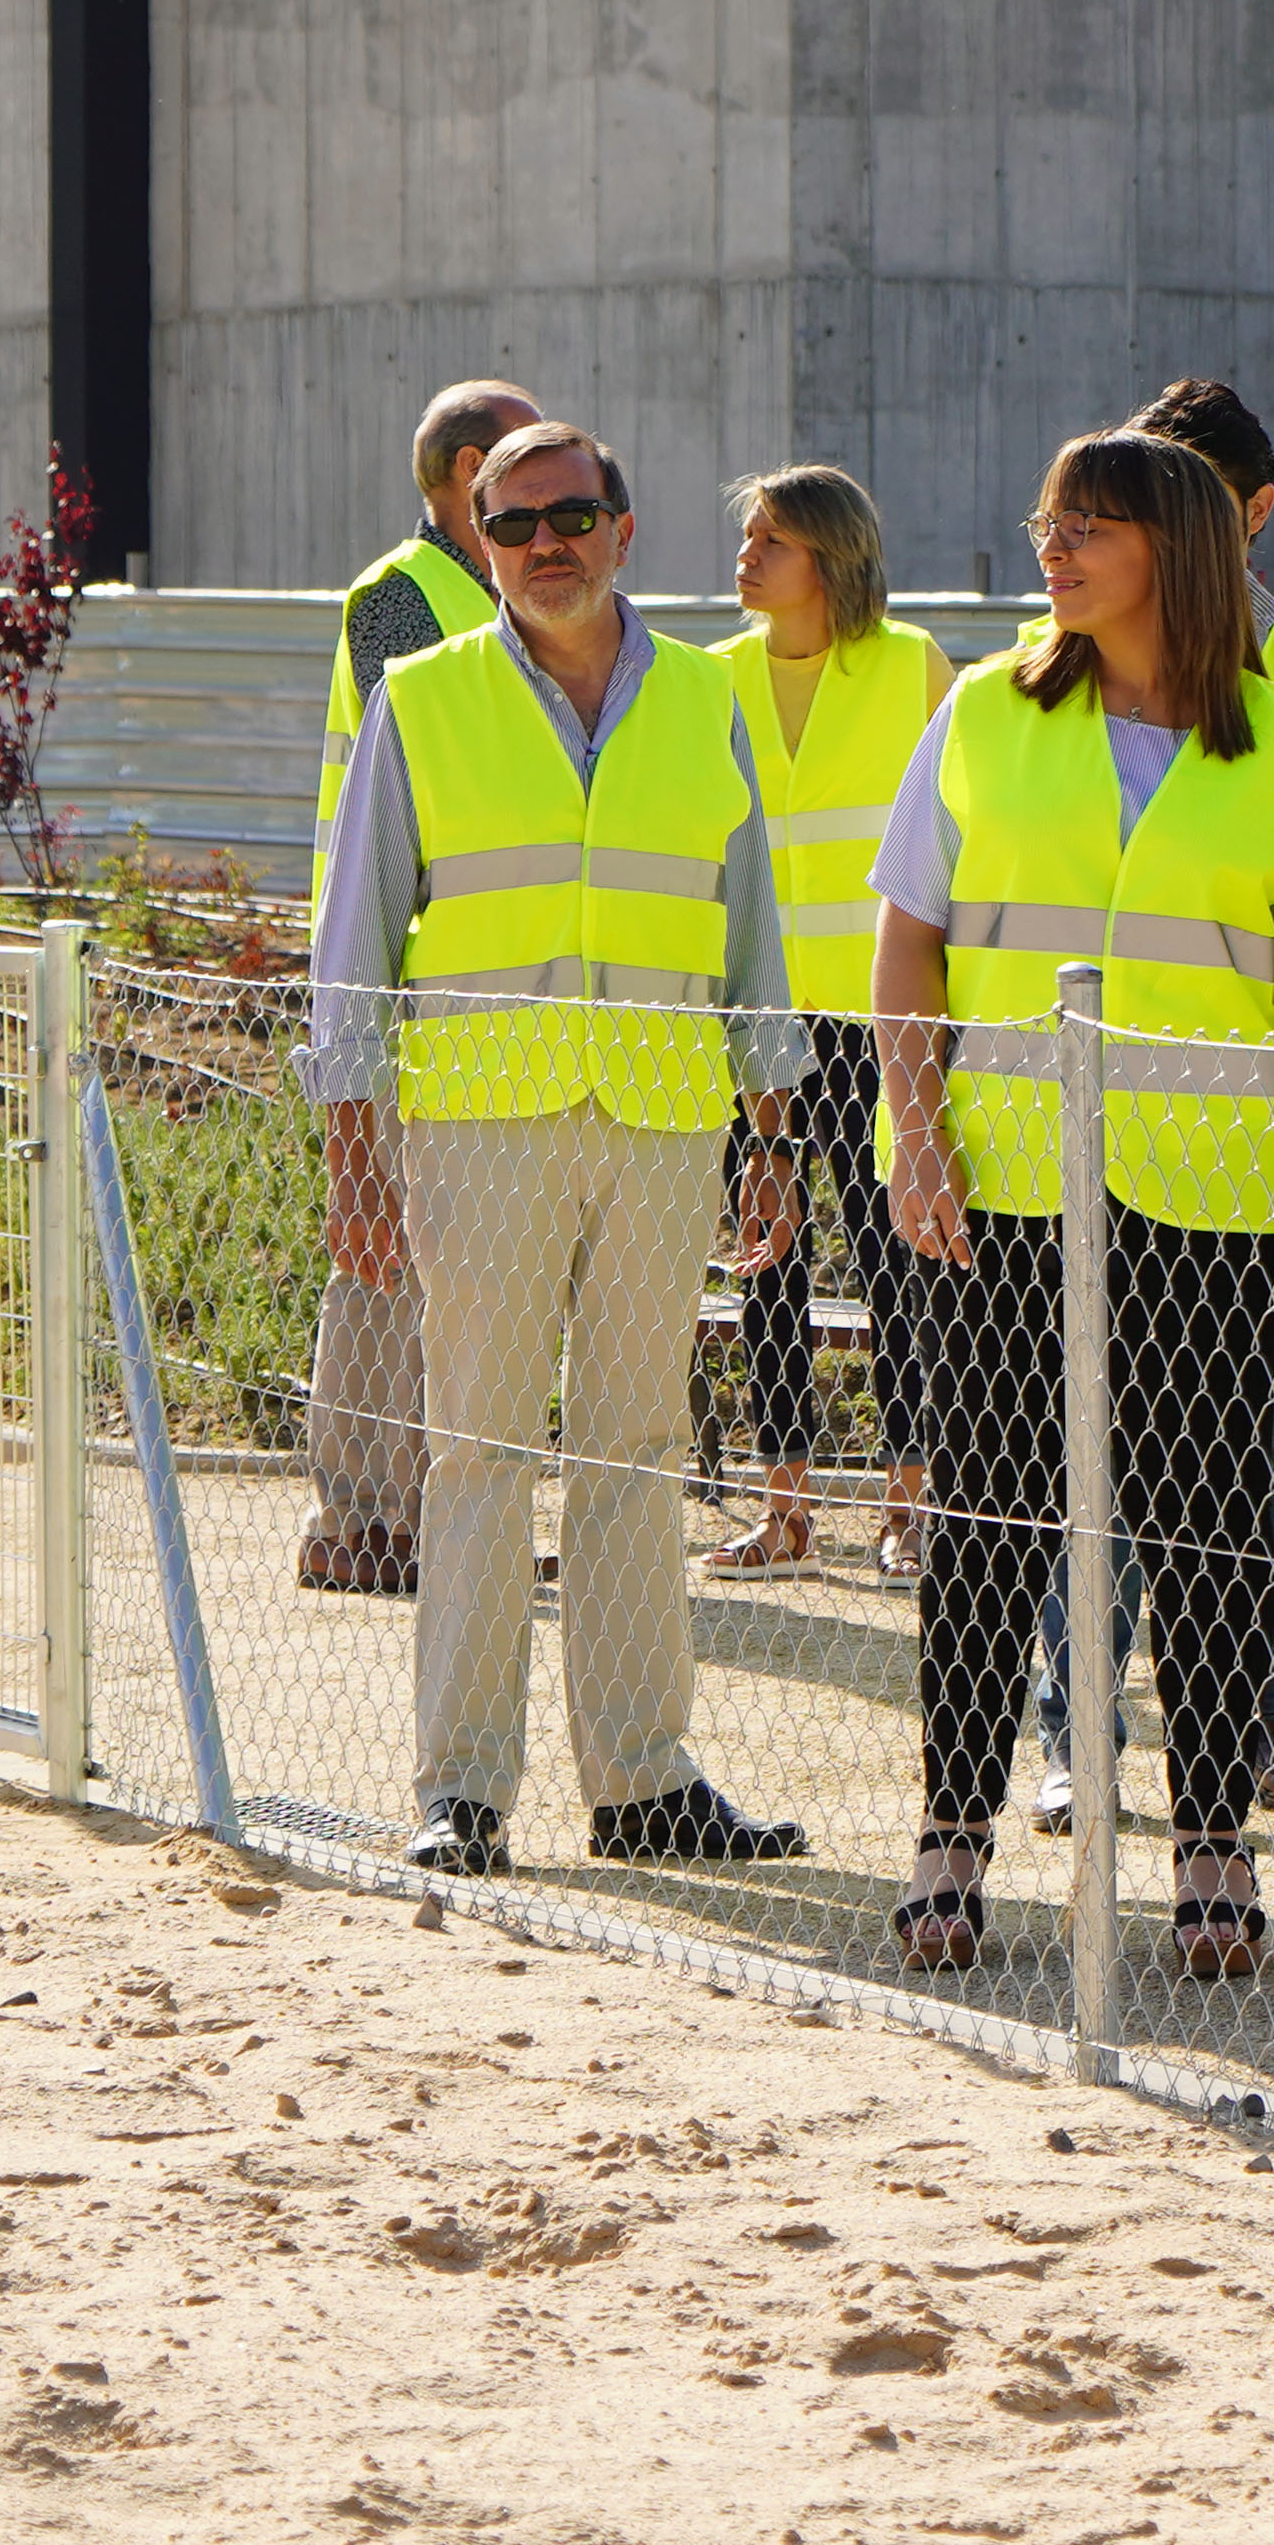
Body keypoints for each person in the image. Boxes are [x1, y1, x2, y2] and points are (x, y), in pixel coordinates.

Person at [873, 429, 1274, 1980]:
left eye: (1087, 525)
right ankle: (951, 1836)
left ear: (1177, 546)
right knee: (987, 1523)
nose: (1054, 547)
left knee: (1211, 1530)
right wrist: (916, 1135)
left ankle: (1214, 1844)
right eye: (1051, 521)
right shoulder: (981, 710)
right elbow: (908, 943)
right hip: (1003, 1184)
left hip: (1215, 1196)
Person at [303, 421, 817, 1879]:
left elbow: (750, 928)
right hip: (479, 1125)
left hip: (664, 1121)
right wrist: (354, 1156)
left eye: (572, 515)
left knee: (638, 1451)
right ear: (481, 543)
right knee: (475, 1452)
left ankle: (643, 1780)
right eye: (515, 523)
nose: (547, 544)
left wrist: (772, 1133)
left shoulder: (704, 703)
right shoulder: (422, 699)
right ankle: (462, 1791)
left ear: (623, 528)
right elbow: (355, 943)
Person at [1029, 377, 1274, 1825]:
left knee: (1250, 1460)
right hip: (1060, 1146)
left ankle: (1260, 1723)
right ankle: (1077, 1732)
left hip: (1241, 1155)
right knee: (1076, 1455)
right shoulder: (1042, 674)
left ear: (1248, 514)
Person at [295, 379, 529, 1600]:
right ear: (472, 471)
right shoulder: (398, 598)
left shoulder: (492, 600)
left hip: (466, 980)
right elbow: (439, 768)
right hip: (394, 973)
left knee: (454, 1257)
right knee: (378, 1247)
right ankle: (359, 1517)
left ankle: (430, 1511)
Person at [708, 465, 956, 1578]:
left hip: (877, 1020)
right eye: (748, 535)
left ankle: (910, 1505)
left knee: (896, 1260)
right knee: (767, 1261)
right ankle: (786, 1512)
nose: (748, 555)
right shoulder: (710, 678)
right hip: (755, 1019)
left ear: (832, 556)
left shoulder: (912, 668)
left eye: (773, 539)